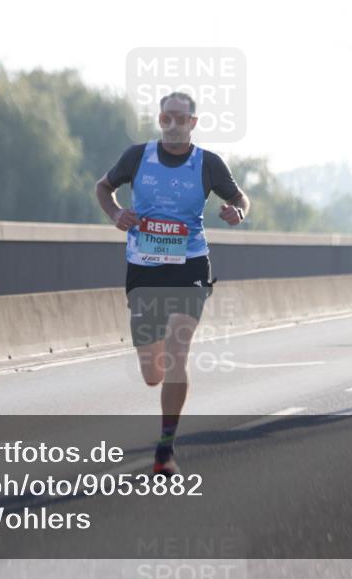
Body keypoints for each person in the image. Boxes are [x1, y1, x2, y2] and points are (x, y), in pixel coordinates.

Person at [94, 91, 250, 475]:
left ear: (193, 123)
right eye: (167, 118)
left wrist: (237, 212)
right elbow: (103, 186)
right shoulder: (137, 156)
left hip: (190, 264)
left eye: (181, 118)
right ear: (160, 119)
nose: (173, 124)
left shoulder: (208, 163)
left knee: (179, 347)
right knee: (152, 374)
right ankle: (160, 377)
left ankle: (165, 449)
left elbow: (241, 198)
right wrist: (115, 212)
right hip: (143, 267)